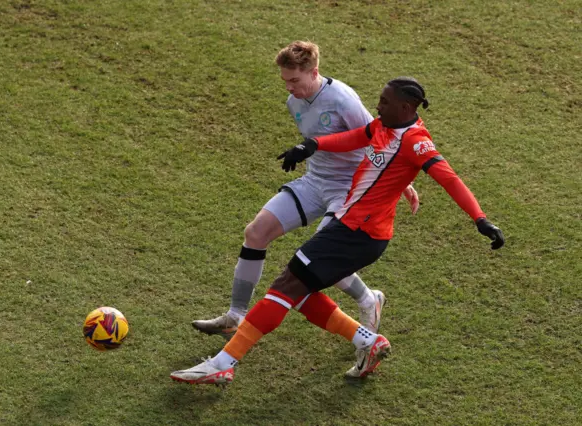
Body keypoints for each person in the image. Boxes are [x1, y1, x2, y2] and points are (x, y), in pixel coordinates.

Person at [171, 76, 505, 385]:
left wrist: (480, 218)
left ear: (406, 107)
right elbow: (354, 137)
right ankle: (368, 341)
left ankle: (223, 364)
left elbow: (449, 178)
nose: (378, 105)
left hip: (357, 233)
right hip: (354, 229)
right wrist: (312, 145)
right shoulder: (384, 126)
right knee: (299, 293)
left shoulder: (415, 142)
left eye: (384, 101)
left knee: (286, 286)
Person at [192, 41, 419, 339]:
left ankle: (368, 299)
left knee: (319, 255)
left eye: (295, 80)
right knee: (255, 233)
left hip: (349, 189)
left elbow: (380, 137)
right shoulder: (294, 102)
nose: (289, 87)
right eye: (285, 80)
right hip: (315, 182)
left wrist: (403, 182)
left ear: (314, 72)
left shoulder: (343, 99)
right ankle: (235, 316)